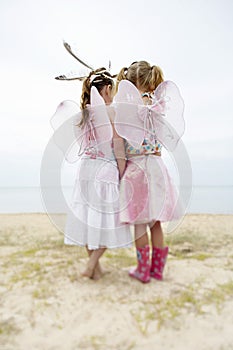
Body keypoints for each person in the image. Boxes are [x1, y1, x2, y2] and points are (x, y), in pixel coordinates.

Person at [54, 68, 132, 280]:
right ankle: (91, 264)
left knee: (88, 220)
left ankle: (95, 268)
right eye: (112, 90)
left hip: (85, 169)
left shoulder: (84, 113)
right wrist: (122, 169)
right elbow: (117, 144)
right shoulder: (111, 112)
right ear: (107, 90)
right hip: (105, 171)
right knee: (108, 221)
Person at [113, 61, 185, 283]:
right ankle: (157, 270)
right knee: (156, 223)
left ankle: (143, 271)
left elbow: (119, 143)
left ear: (131, 83)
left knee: (140, 223)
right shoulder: (159, 106)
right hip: (156, 167)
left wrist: (120, 171)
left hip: (136, 169)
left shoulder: (126, 108)